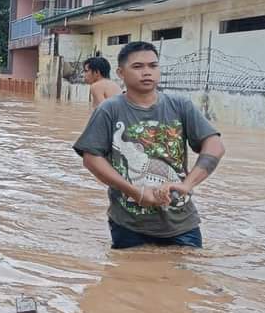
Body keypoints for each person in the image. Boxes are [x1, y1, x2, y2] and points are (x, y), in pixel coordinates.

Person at [73, 41, 226, 250]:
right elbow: (91, 158)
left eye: (153, 66)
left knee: (190, 269)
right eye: (138, 67)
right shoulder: (109, 110)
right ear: (120, 73)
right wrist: (135, 192)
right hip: (128, 223)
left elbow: (215, 145)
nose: (147, 72)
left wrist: (187, 185)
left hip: (181, 221)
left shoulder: (180, 106)